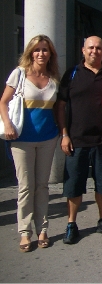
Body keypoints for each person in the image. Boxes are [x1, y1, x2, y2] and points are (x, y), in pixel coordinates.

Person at [0, 35, 60, 252]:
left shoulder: (53, 77)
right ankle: (25, 232)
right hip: (21, 139)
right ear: (30, 53)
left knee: (42, 186)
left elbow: (55, 109)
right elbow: (3, 102)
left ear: (50, 54)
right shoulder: (19, 74)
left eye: (45, 50)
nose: (41, 54)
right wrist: (7, 124)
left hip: (48, 138)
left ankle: (42, 229)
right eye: (37, 50)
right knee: (26, 187)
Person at [56, 36, 102, 245]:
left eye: (99, 48)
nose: (94, 51)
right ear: (83, 50)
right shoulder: (72, 74)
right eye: (90, 48)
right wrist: (64, 135)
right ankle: (71, 224)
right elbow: (60, 106)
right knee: (74, 185)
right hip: (76, 140)